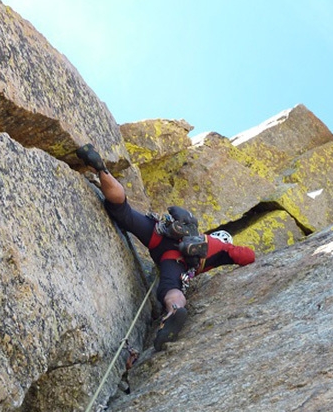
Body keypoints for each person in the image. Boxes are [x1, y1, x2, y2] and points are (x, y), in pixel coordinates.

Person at [77, 143, 256, 351]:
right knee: (170, 289)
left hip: (160, 233)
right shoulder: (222, 249)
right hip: (174, 259)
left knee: (122, 211)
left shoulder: (201, 235)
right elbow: (248, 256)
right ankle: (174, 311)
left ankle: (101, 170)